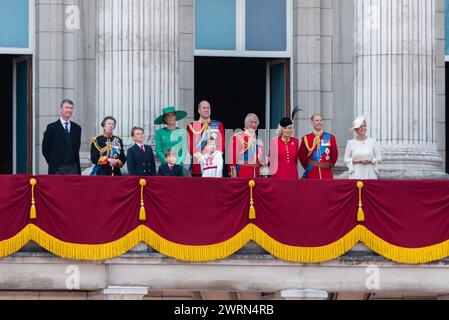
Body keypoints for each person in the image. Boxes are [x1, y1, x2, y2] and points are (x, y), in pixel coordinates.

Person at [42, 99, 82, 175]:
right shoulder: (52, 127)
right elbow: (45, 149)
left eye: (71, 108)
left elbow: (77, 147)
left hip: (73, 167)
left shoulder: (77, 128)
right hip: (57, 168)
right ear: (61, 109)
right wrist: (53, 162)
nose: (69, 110)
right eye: (67, 107)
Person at [186, 100, 225, 177]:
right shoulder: (192, 126)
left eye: (208, 108)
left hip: (214, 165)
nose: (206, 110)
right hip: (198, 164)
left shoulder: (218, 124)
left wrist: (213, 158)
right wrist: (203, 159)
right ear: (199, 110)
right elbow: (191, 146)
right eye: (204, 108)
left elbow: (221, 144)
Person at [298, 113, 338, 179]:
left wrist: (327, 165)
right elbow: (302, 156)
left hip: (326, 173)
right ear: (312, 122)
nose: (319, 122)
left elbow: (334, 155)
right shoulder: (306, 138)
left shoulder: (330, 137)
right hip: (312, 173)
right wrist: (309, 167)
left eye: (320, 120)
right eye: (316, 120)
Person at [344, 115, 382, 179]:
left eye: (364, 125)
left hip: (370, 173)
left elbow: (379, 158)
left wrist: (370, 161)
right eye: (360, 127)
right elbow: (346, 160)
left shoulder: (373, 141)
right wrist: (357, 161)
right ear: (356, 129)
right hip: (356, 174)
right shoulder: (350, 143)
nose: (362, 128)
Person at [228, 113, 265, 178]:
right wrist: (233, 174)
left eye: (255, 123)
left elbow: (261, 160)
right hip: (242, 172)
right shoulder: (237, 137)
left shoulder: (259, 140)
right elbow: (232, 157)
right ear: (246, 123)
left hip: (256, 174)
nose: (253, 124)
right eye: (251, 122)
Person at [154, 107, 188, 176]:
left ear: (175, 117)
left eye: (172, 115)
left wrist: (178, 162)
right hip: (165, 167)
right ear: (164, 119)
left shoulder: (182, 132)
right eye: (168, 116)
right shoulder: (159, 132)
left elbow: (184, 150)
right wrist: (167, 161)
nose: (171, 117)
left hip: (178, 166)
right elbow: (158, 150)